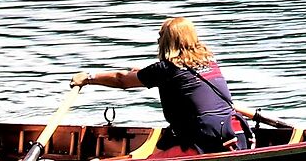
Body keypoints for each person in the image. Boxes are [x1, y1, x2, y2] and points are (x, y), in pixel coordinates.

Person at [75, 17, 247, 153]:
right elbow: (183, 78)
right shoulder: (209, 60)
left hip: (203, 140)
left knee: (152, 159)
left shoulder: (165, 69)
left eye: (160, 36)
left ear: (167, 41)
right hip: (236, 135)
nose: (158, 41)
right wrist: (144, 73)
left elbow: (121, 79)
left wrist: (89, 78)